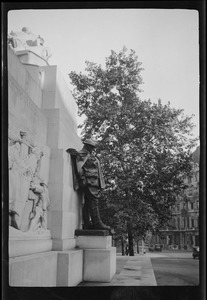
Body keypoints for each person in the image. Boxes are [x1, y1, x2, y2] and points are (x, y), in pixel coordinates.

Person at [67, 139, 110, 230]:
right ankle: (97, 223)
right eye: (92, 147)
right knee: (94, 201)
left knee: (87, 203)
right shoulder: (81, 154)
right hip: (89, 182)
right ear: (87, 145)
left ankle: (87, 223)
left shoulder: (90, 156)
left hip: (94, 182)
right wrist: (83, 179)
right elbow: (80, 168)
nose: (93, 149)